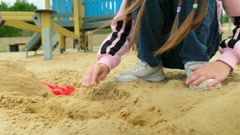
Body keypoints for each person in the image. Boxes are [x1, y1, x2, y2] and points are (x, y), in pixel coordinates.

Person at [82, 0, 240, 89]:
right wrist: (105, 62)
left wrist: (226, 61)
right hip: (158, 49)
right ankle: (150, 65)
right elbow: (124, 28)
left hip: (200, 40)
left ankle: (196, 64)